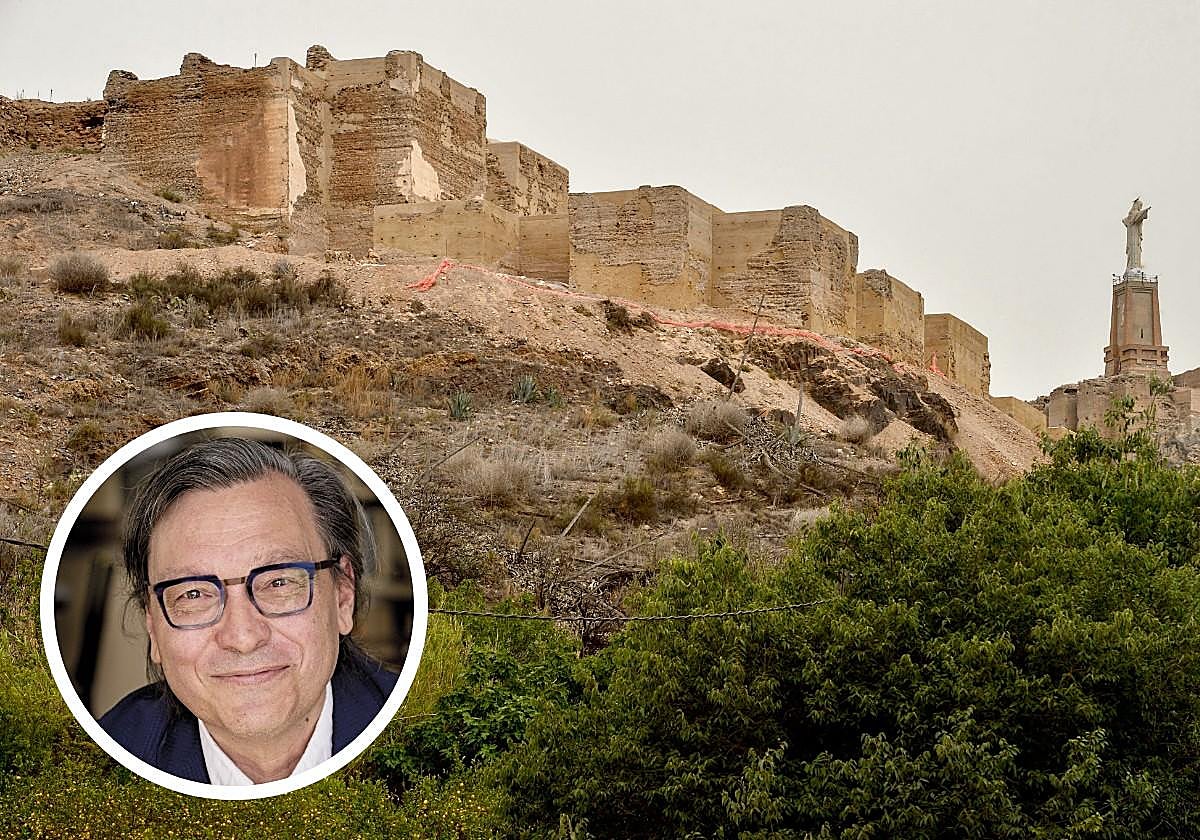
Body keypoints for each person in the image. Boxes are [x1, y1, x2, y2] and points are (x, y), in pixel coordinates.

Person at [99, 437, 398, 785]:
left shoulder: (432, 728)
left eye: (279, 583)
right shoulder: (95, 767)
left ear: (343, 596)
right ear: (152, 626)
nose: (242, 638)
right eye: (193, 593)